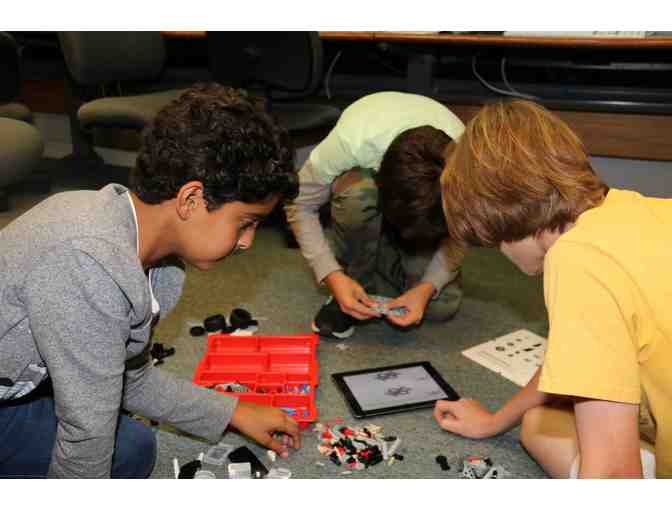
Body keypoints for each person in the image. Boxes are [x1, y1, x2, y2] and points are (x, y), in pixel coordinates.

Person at [0, 83, 301, 478]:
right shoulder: (89, 261)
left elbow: (128, 377)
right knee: (103, 446)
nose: (247, 242)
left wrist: (233, 411)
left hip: (20, 380)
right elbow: (86, 431)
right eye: (246, 223)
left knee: (131, 448)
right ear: (191, 200)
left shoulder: (144, 246)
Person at [434, 98, 671, 478]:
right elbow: (577, 353)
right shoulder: (634, 208)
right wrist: (494, 421)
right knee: (538, 423)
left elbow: (613, 477)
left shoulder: (576, 259)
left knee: (557, 435)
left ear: (502, 216)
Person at [285, 91, 466, 339]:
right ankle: (355, 274)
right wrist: (331, 274)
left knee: (440, 307)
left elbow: (464, 231)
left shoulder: (468, 165)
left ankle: (383, 259)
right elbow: (299, 203)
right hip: (367, 179)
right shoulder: (351, 141)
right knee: (357, 196)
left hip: (428, 211)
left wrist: (427, 287)